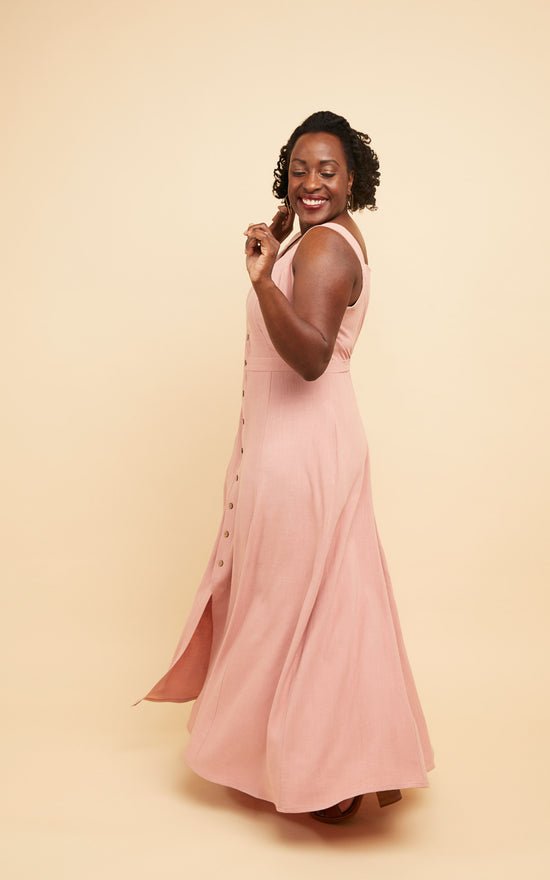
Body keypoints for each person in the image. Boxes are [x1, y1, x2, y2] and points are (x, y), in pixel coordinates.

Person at [132, 111, 435, 824]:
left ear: (353, 179)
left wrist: (265, 279)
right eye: (299, 169)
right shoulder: (318, 238)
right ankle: (325, 766)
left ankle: (323, 773)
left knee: (291, 608)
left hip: (299, 451)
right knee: (315, 604)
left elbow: (309, 358)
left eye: (327, 170)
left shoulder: (324, 247)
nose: (310, 182)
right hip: (303, 443)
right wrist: (280, 254)